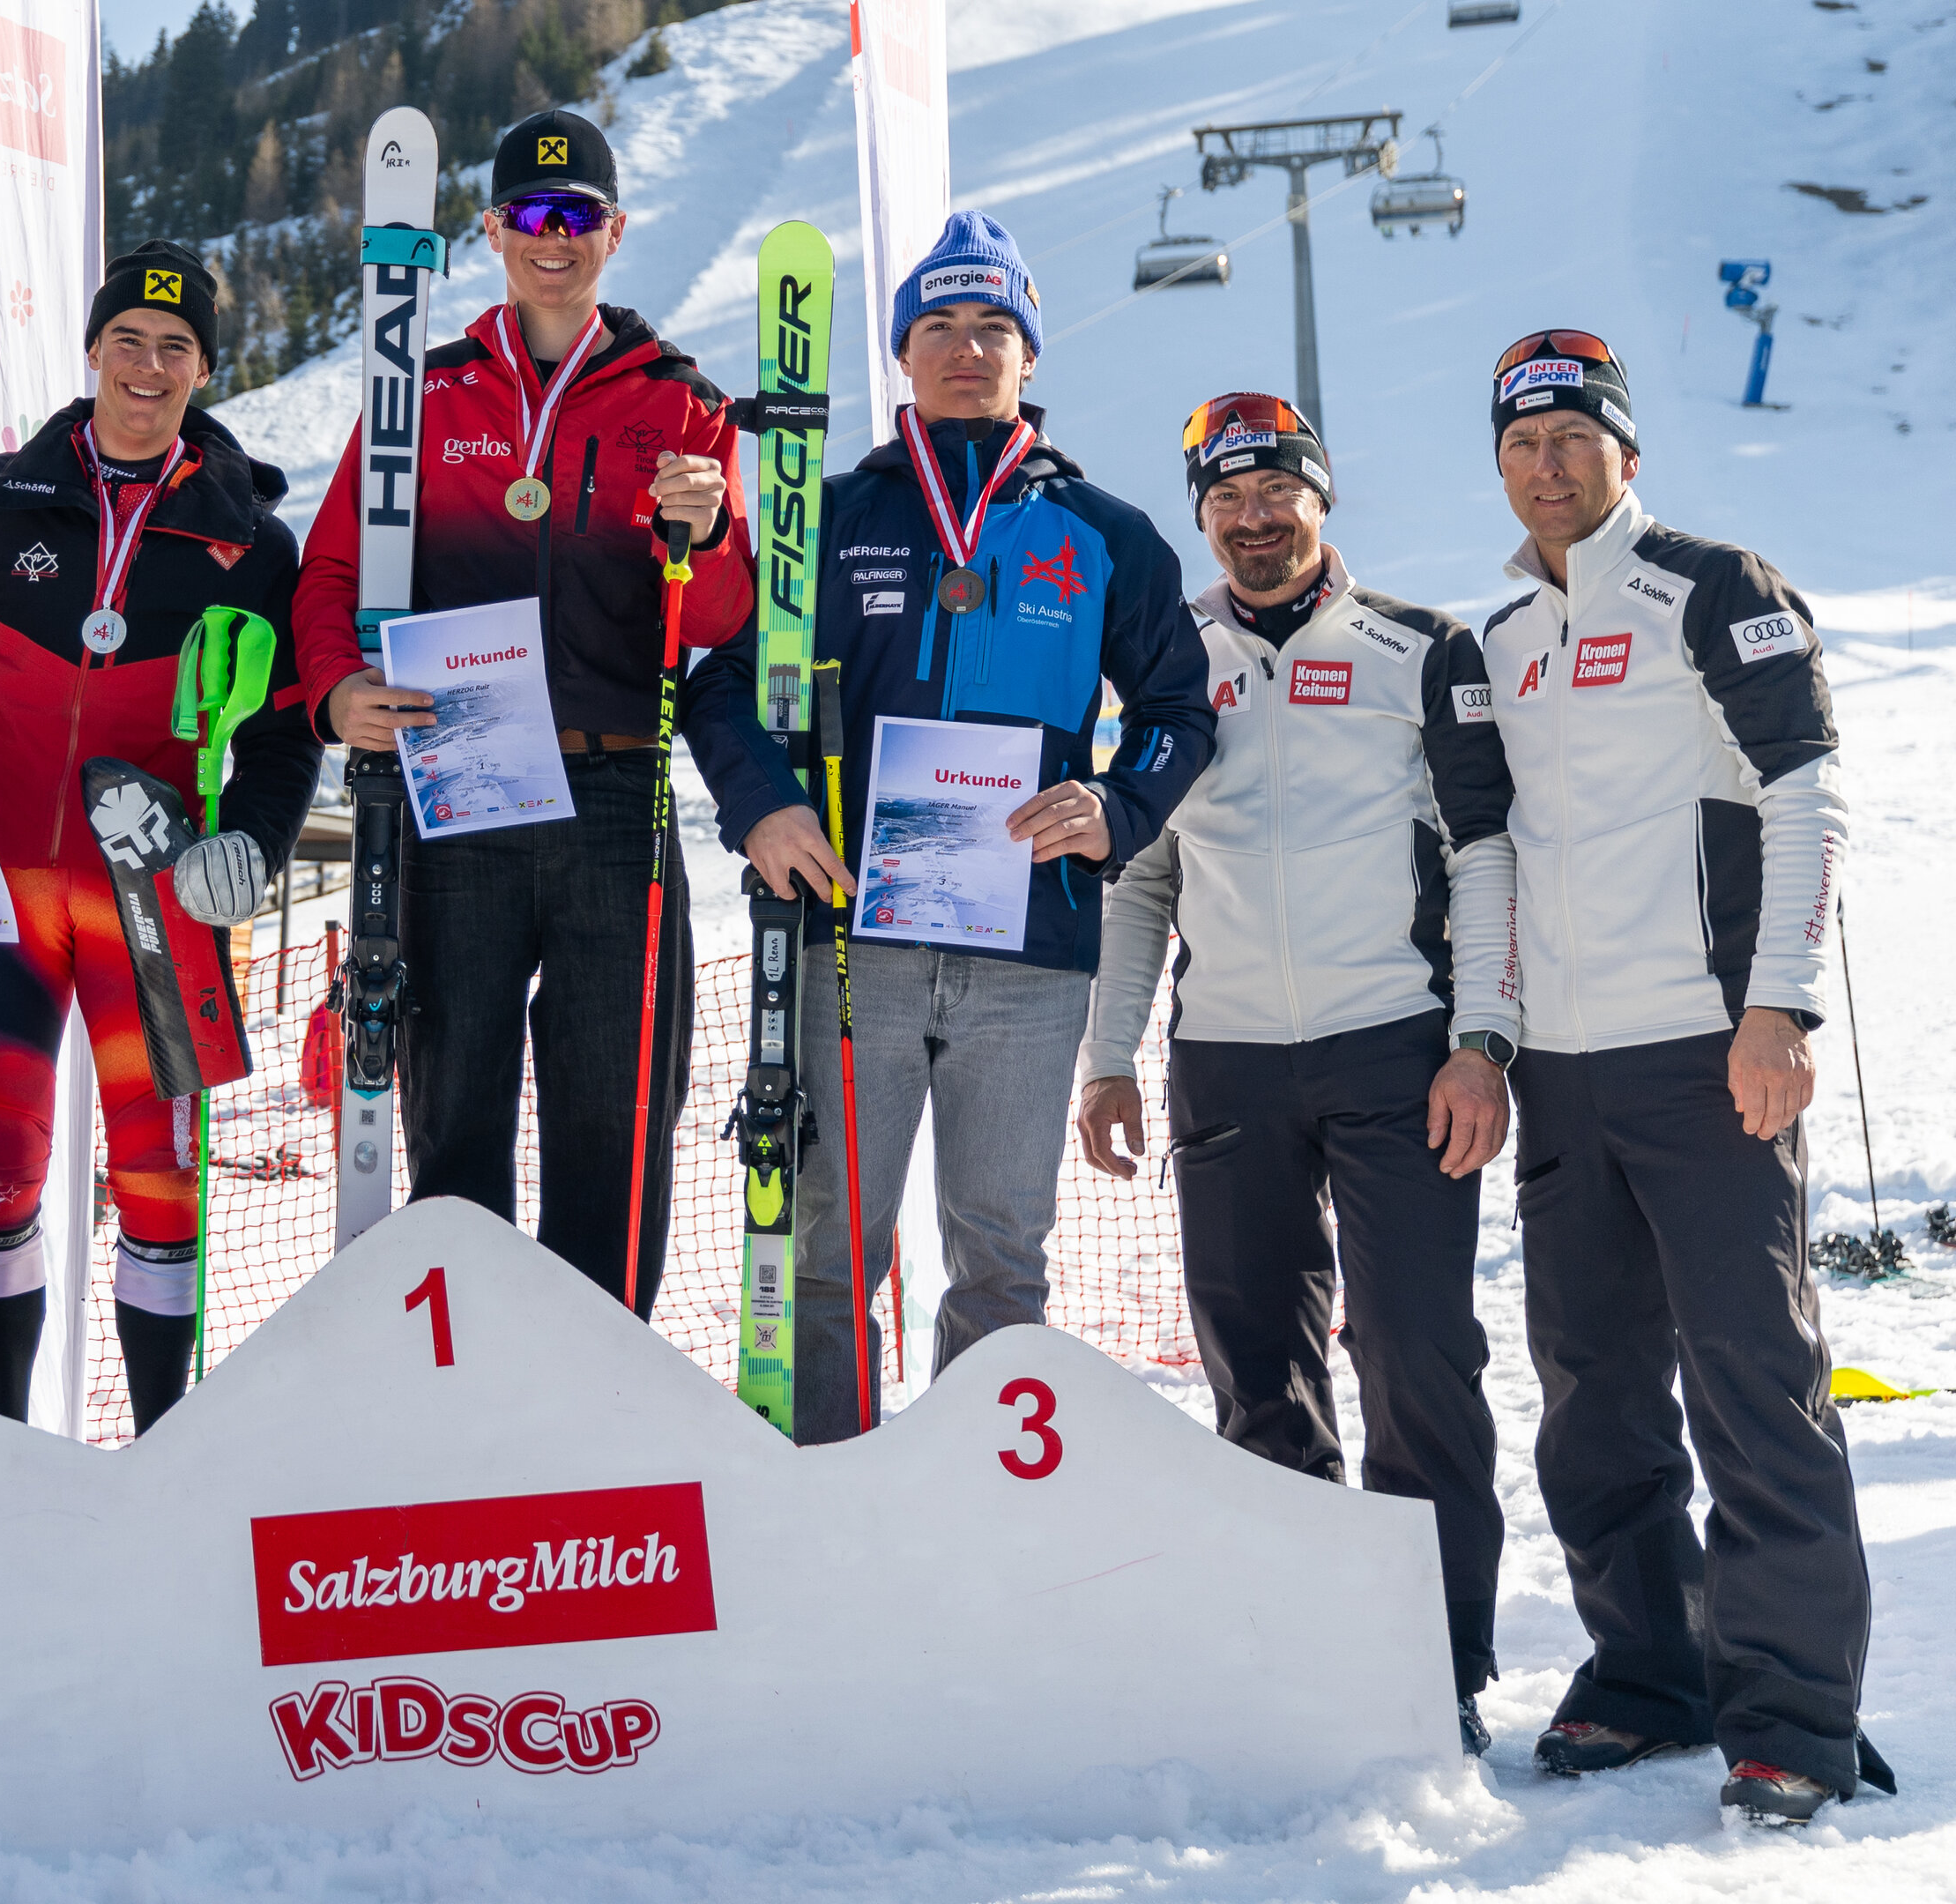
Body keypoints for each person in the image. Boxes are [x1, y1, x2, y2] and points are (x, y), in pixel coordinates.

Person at [688, 211, 1214, 1442]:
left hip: (1030, 957)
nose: (968, 349)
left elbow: (1180, 712)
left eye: (993, 327)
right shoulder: (828, 520)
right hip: (850, 946)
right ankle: (827, 1491)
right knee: (831, 1251)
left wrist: (1117, 804)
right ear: (902, 354)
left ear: (1030, 352)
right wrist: (763, 809)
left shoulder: (1106, 534)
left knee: (1001, 1259)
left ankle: (973, 1503)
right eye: (940, 327)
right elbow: (722, 686)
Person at [1473, 329, 1890, 1821]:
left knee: (1754, 1384)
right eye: (1522, 446)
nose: (1548, 467)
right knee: (1593, 1395)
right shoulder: (1500, 638)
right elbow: (1492, 854)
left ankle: (1794, 1720)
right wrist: (1494, 1040)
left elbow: (1808, 794)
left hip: (1710, 1056)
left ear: (1626, 453)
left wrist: (1777, 1008)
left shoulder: (1714, 589)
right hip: (1565, 1073)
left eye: (1573, 439)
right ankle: (1652, 1677)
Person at [1073, 393, 1513, 1753]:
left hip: (1398, 1049)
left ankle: (1439, 1663)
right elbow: (1141, 878)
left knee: (1418, 1358)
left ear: (1322, 500)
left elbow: (1483, 856)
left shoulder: (1420, 647)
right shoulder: (1165, 657)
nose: (1255, 520)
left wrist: (1482, 1042)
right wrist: (1109, 1058)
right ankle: (1311, 1653)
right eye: (1228, 500)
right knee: (1255, 1366)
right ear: (1203, 517)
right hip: (1227, 1061)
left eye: (1278, 493)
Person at [0, 242, 320, 1432]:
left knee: (161, 1183)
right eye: (129, 342)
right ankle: (9, 1442)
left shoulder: (252, 544)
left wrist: (254, 845)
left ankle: (160, 1455)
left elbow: (283, 735)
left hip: (152, 913)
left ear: (204, 369)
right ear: (94, 349)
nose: (148, 367)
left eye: (176, 348)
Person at [289, 110, 748, 1313]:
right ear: (491, 230)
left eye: (578, 215)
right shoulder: (422, 393)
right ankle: (462, 1371)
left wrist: (710, 532)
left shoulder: (680, 403)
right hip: (459, 786)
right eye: (531, 215)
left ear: (616, 231)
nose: (555, 238)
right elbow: (331, 572)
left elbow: (721, 621)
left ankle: (598, 1376)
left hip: (615, 791)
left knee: (617, 1113)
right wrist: (337, 690)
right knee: (456, 1102)